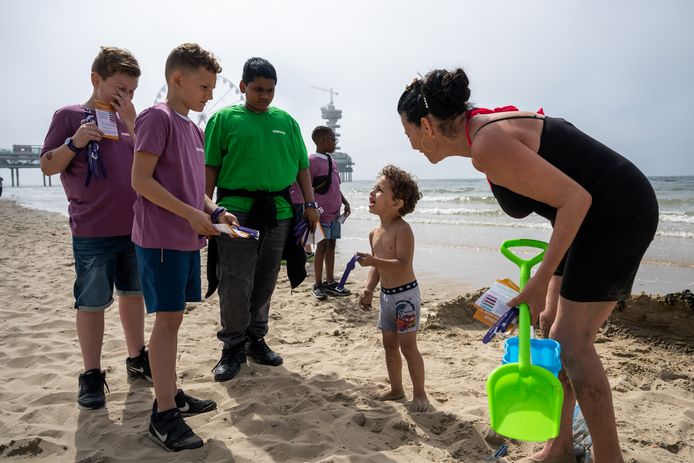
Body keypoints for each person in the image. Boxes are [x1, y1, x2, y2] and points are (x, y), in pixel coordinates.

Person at [398, 69, 658, 462]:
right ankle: (560, 447)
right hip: (587, 218)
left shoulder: (487, 142)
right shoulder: (481, 134)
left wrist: (538, 282)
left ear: (427, 125)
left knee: (573, 343)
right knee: (553, 332)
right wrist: (548, 286)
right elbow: (564, 205)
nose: (413, 146)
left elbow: (577, 200)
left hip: (617, 212)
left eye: (409, 135)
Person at [131, 43, 231, 451]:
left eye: (212, 87)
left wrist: (215, 210)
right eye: (204, 86)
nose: (209, 94)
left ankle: (170, 395)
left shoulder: (193, 128)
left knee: (174, 320)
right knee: (168, 321)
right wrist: (191, 216)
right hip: (160, 239)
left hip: (186, 239)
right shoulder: (156, 118)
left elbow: (193, 190)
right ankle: (163, 415)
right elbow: (140, 180)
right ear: (177, 79)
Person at [39, 46, 150, 410]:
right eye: (119, 88)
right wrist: (75, 142)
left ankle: (137, 357)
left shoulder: (131, 120)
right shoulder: (69, 115)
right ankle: (91, 373)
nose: (125, 97)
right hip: (92, 228)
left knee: (133, 295)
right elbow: (47, 166)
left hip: (135, 226)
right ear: (95, 79)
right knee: (91, 302)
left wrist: (134, 122)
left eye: (131, 91)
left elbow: (153, 165)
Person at [204, 57, 320, 382]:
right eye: (258, 89)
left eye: (270, 90)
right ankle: (231, 347)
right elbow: (210, 166)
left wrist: (310, 203)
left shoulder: (287, 121)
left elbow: (302, 167)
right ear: (242, 87)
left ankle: (256, 338)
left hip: (280, 211)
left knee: (267, 278)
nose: (265, 96)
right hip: (235, 212)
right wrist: (206, 206)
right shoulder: (223, 119)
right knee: (235, 280)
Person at [357, 165, 429, 412]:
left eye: (379, 190)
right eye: (374, 188)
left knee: (409, 347)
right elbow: (376, 269)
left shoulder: (403, 229)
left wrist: (374, 260)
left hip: (405, 296)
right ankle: (397, 389)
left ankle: (420, 394)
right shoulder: (374, 233)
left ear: (397, 202)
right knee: (389, 345)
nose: (372, 192)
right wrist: (368, 289)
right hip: (386, 297)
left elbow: (401, 265)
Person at [308, 126, 352, 300]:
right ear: (322, 140)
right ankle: (318, 284)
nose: (335, 142)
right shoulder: (311, 160)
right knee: (321, 246)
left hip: (335, 213)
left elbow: (336, 186)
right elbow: (307, 187)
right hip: (320, 214)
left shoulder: (332, 161)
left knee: (332, 245)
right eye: (332, 139)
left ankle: (330, 282)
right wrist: (310, 208)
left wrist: (345, 202)